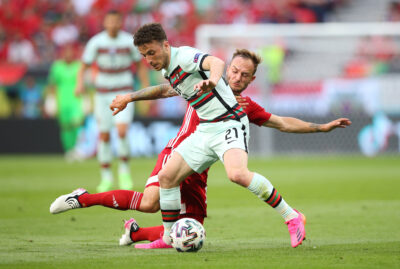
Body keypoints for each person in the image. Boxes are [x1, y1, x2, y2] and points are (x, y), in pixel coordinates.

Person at [50, 48, 351, 248]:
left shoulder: (244, 106)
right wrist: (130, 96)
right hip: (179, 152)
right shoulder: (203, 80)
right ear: (228, 67)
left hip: (200, 171)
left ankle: (137, 233)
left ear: (252, 80)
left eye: (244, 76)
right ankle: (84, 199)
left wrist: (321, 127)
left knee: (191, 228)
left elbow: (281, 122)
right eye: (234, 71)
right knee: (150, 202)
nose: (237, 78)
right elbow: (166, 89)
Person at [75, 10, 149, 192]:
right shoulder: (96, 42)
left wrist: (146, 89)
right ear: (105, 23)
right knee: (104, 135)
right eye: (110, 21)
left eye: (116, 21)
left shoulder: (128, 41)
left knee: (122, 131)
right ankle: (106, 176)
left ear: (120, 22)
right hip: (102, 94)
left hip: (123, 91)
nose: (113, 24)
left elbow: (140, 65)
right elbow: (84, 65)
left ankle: (124, 172)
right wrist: (79, 84)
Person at [48, 45, 84, 158]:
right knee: (66, 127)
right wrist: (51, 100)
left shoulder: (79, 66)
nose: (68, 55)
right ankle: (69, 150)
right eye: (66, 53)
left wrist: (87, 100)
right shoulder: (57, 67)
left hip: (76, 100)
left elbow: (84, 84)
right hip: (62, 101)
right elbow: (52, 85)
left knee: (77, 124)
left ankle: (78, 148)